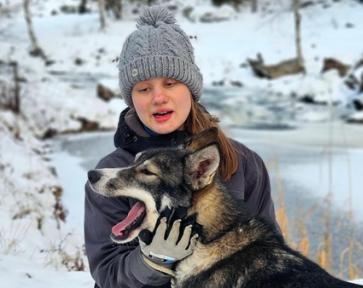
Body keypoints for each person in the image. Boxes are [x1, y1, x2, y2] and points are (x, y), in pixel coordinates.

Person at [84, 6, 280, 288]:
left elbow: (267, 256)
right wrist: (152, 262)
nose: (159, 97)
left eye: (171, 83)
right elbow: (107, 273)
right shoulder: (111, 173)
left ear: (190, 88)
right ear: (132, 98)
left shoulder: (239, 162)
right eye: (143, 88)